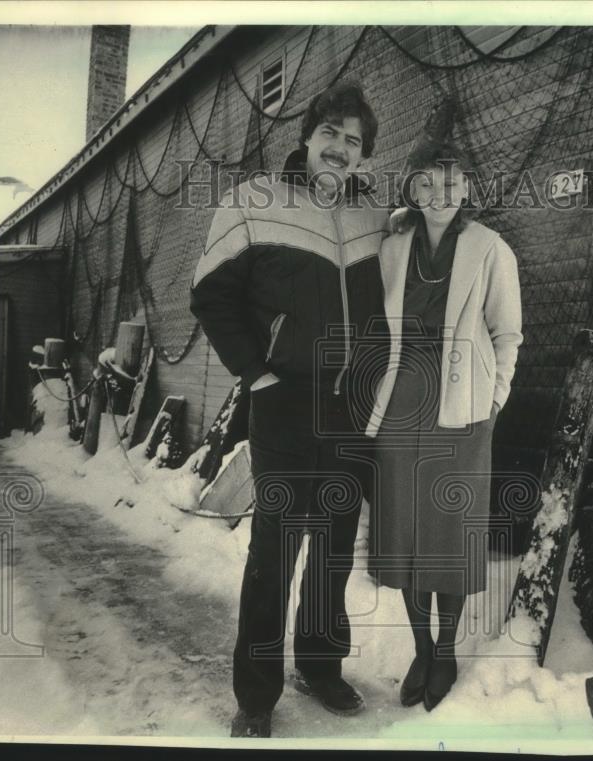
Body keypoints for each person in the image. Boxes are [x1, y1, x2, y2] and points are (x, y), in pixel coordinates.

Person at [190, 82, 388, 738]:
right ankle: (256, 693)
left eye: (353, 141)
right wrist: (258, 373)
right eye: (331, 132)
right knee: (275, 547)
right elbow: (210, 294)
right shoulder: (254, 201)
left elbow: (386, 309)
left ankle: (321, 666)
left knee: (333, 542)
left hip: (345, 405)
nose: (340, 147)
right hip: (281, 398)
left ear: (363, 157)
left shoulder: (371, 220)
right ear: (306, 137)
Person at [365, 139, 523, 711]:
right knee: (404, 530)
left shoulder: (490, 249)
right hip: (403, 400)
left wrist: (496, 399)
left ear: (469, 187)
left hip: (466, 406)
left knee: (450, 533)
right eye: (426, 182)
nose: (439, 193)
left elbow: (508, 334)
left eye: (451, 181)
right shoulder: (391, 247)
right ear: (412, 188)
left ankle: (449, 647)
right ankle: (422, 648)